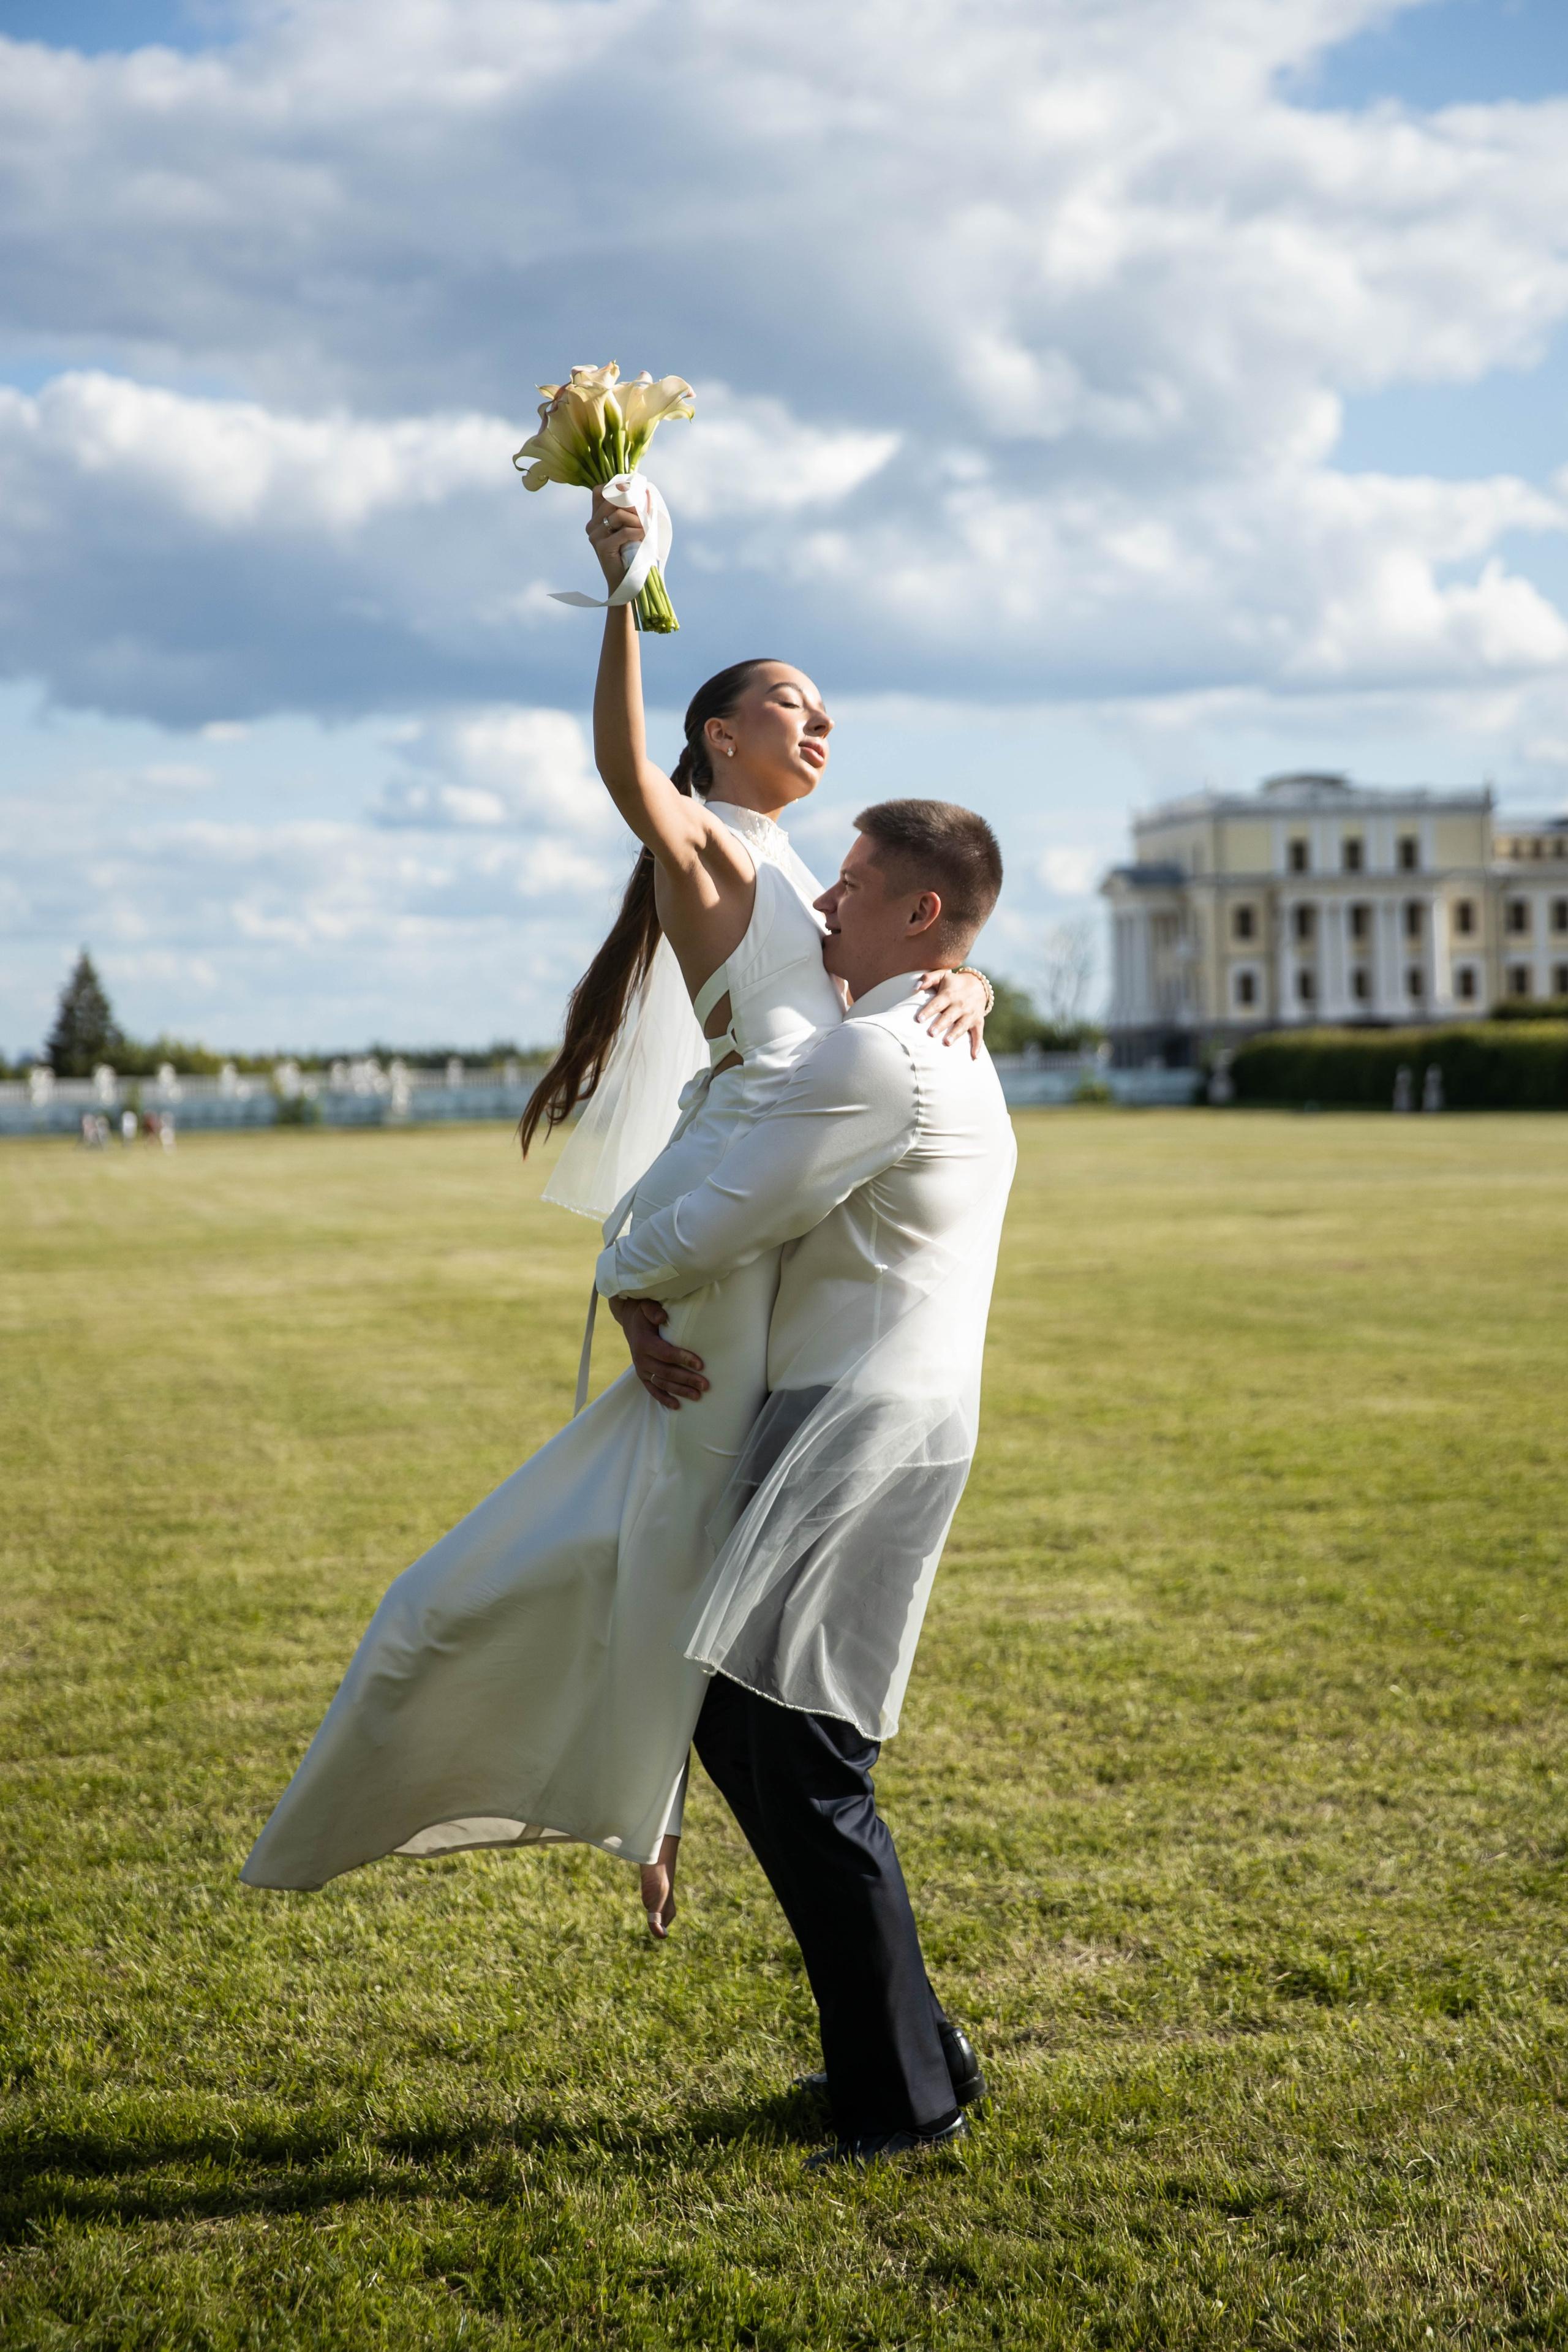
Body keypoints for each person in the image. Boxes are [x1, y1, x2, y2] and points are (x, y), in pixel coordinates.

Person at [240, 487, 989, 1926]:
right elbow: (617, 767)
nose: (819, 730)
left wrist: (971, 975)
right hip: (726, 1218)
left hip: (774, 1221)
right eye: (790, 706)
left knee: (685, 1531)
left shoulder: (816, 886)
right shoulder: (704, 843)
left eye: (828, 712)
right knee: (675, 1525)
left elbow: (908, 958)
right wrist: (621, 587)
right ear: (720, 736)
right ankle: (632, 1810)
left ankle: (639, 1799)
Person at [599, 797, 1016, 2168]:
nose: (819, 906)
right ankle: (912, 2047)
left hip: (860, 1421)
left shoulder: (884, 1053)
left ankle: (907, 2096)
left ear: (917, 919)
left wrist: (618, 1271)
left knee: (806, 1755)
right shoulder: (934, 1033)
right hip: (860, 1411)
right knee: (742, 1727)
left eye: (848, 887)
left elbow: (731, 1213)